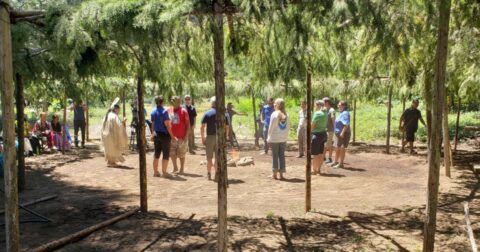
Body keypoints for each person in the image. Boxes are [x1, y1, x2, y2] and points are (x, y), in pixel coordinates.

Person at [200, 96, 229, 180]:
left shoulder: (207, 113)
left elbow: (202, 127)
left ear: (212, 103)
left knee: (209, 157)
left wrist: (203, 138)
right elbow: (227, 127)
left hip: (210, 137)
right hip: (219, 138)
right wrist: (225, 137)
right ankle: (216, 174)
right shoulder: (223, 114)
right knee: (217, 157)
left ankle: (209, 173)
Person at [151, 96, 177, 178]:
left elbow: (153, 124)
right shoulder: (165, 111)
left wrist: (152, 134)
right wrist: (172, 137)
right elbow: (168, 126)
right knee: (165, 154)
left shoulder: (153, 111)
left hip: (156, 135)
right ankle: (164, 172)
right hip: (165, 135)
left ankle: (155, 172)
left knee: (156, 154)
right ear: (162, 102)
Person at [267, 98, 290, 180]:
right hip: (283, 139)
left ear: (277, 105)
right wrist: (285, 136)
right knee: (282, 156)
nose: (273, 104)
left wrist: (268, 138)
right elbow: (288, 127)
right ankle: (281, 174)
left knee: (275, 156)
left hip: (275, 138)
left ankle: (274, 174)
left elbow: (271, 127)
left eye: (275, 103)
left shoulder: (274, 114)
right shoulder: (286, 114)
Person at [168, 96, 190, 174]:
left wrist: (186, 136)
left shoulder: (183, 111)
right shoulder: (169, 110)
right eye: (171, 100)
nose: (172, 102)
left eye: (174, 100)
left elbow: (188, 124)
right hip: (172, 137)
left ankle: (181, 169)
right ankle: (175, 167)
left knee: (182, 154)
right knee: (172, 153)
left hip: (182, 137)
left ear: (178, 102)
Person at [331, 101, 350, 169]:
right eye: (338, 105)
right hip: (338, 134)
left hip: (343, 134)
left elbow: (346, 124)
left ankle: (341, 163)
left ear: (344, 106)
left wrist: (342, 133)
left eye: (339, 105)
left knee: (342, 148)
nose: (338, 106)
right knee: (337, 148)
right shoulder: (341, 113)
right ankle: (335, 162)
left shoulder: (345, 113)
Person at [311, 100, 328, 174]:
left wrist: (310, 132)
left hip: (317, 135)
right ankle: (318, 169)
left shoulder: (317, 113)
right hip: (324, 134)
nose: (314, 107)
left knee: (315, 154)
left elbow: (313, 125)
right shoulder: (325, 113)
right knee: (321, 153)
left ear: (318, 106)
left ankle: (314, 170)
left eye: (315, 105)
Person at [323, 97, 336, 163]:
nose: (323, 103)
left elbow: (333, 120)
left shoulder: (331, 110)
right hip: (326, 130)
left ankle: (326, 157)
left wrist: (335, 129)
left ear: (327, 103)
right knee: (327, 144)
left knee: (327, 144)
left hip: (330, 130)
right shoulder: (326, 110)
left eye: (323, 102)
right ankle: (326, 157)